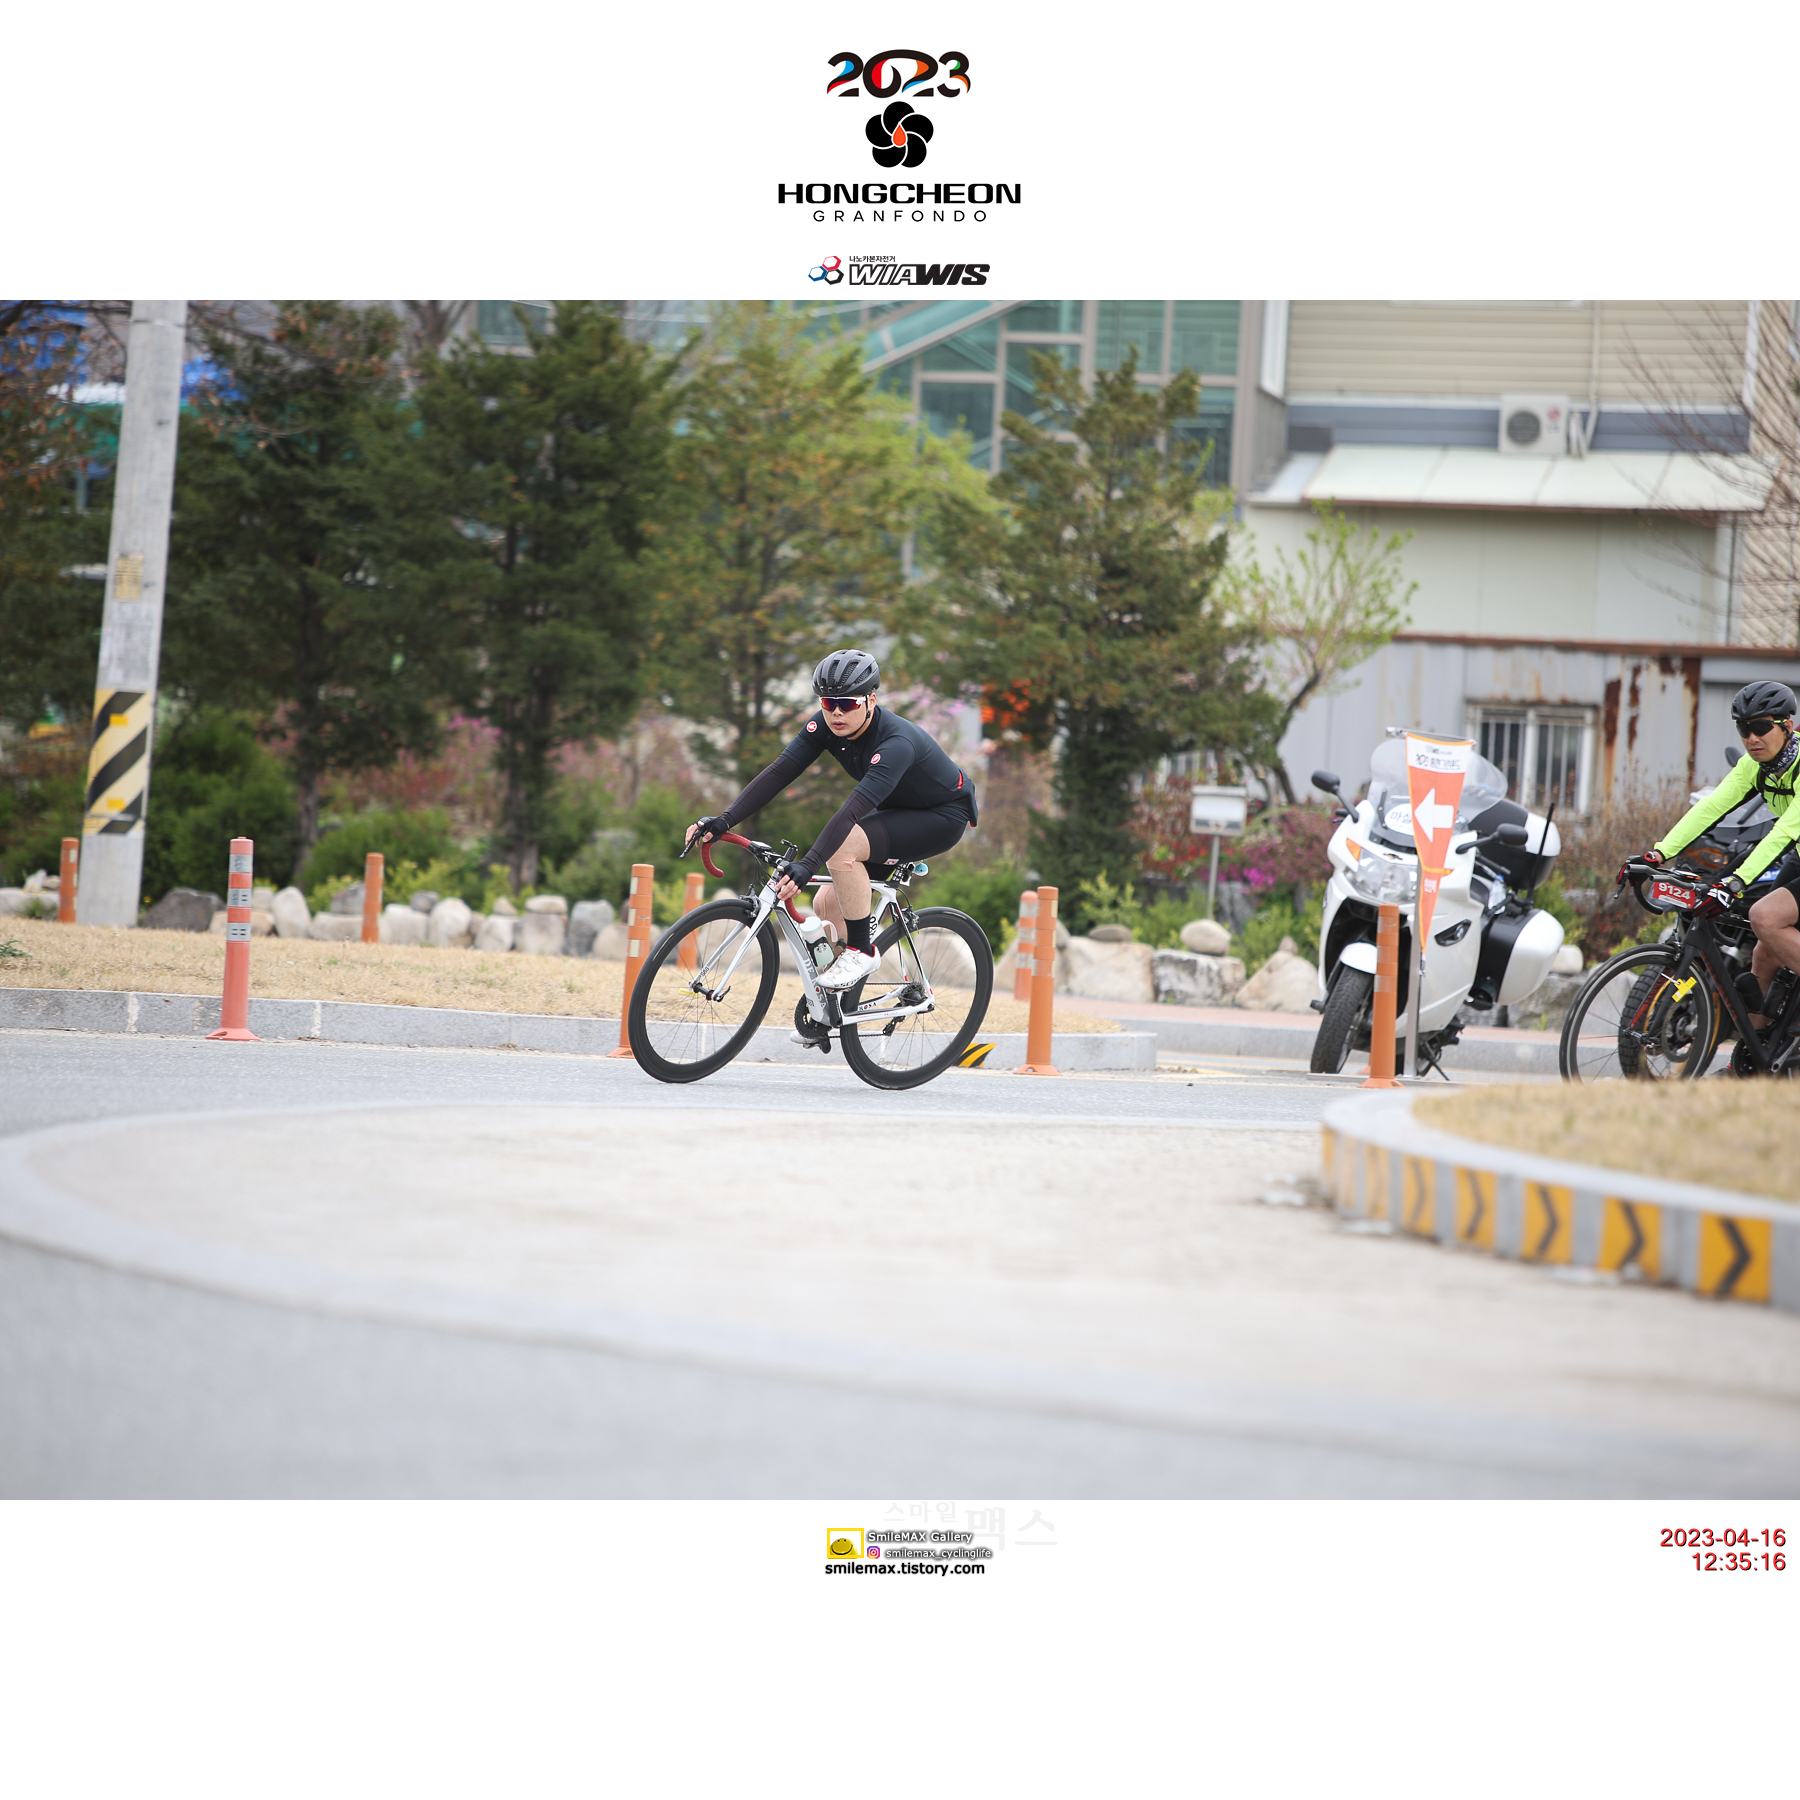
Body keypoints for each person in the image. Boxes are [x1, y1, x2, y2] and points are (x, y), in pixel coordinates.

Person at [683, 648, 978, 994]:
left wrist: (808, 864)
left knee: (842, 849)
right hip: (900, 810)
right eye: (828, 703)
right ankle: (837, 1006)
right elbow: (778, 774)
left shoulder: (897, 743)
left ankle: (862, 951)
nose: (836, 713)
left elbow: (851, 811)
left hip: (942, 816)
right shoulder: (824, 725)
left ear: (871, 700)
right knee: (826, 902)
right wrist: (724, 820)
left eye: (848, 704)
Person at [1625, 680, 1800, 1030]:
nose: (1752, 738)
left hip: (1791, 843)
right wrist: (1657, 854)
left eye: (1761, 727)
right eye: (1743, 729)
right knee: (1765, 951)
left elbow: (1783, 832)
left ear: (1788, 727)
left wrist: (1734, 883)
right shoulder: (1754, 766)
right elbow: (1709, 808)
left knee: (1764, 918)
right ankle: (1756, 1051)